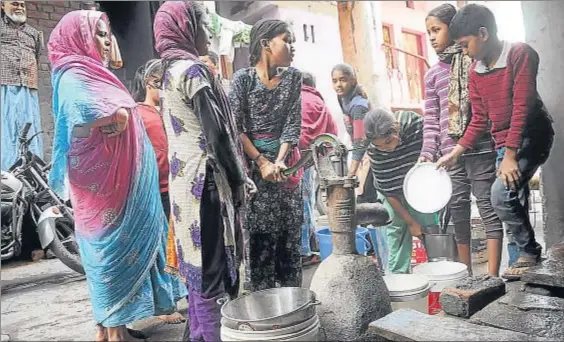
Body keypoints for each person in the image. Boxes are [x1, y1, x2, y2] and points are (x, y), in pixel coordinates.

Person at [48, 10, 184, 342]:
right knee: (106, 255)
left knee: (122, 253)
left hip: (124, 183)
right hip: (100, 186)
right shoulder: (72, 75)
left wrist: (117, 120)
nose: (108, 42)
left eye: (108, 34)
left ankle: (116, 324)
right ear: (78, 37)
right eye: (99, 34)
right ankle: (110, 331)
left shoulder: (98, 74)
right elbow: (74, 125)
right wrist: (111, 120)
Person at [153, 2, 252, 341]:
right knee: (211, 275)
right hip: (204, 184)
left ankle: (196, 335)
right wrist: (239, 179)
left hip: (184, 187)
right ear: (184, 27)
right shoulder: (192, 72)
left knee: (196, 271)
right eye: (202, 23)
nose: (209, 32)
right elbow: (218, 135)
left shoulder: (168, 73)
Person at [437, 4, 554, 280]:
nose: (464, 52)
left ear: (483, 33)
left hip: (531, 136)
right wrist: (457, 151)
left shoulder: (519, 54)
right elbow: (479, 119)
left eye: (465, 45)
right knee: (515, 202)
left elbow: (522, 106)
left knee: (500, 196)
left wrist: (510, 155)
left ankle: (530, 250)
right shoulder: (476, 72)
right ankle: (521, 273)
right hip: (506, 143)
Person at [421, 3, 503, 276]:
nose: (431, 37)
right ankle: (465, 274)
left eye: (436, 30)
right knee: (458, 212)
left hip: (480, 149)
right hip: (448, 154)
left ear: (453, 28)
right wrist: (426, 152)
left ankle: (492, 277)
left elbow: (487, 109)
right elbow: (431, 119)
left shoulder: (475, 61)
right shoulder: (432, 74)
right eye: (428, 32)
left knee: (487, 206)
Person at [228, 18, 304, 292]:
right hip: (254, 174)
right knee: (260, 246)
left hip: (286, 171)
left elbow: (292, 124)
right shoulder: (242, 80)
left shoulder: (294, 78)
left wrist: (281, 161)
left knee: (290, 245)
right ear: (265, 44)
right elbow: (235, 127)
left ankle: (294, 309)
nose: (292, 46)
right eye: (287, 39)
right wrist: (261, 162)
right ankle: (265, 314)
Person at [130, 59, 187, 325]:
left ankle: (175, 296)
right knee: (161, 250)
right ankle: (165, 305)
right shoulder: (139, 113)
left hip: (170, 187)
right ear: (151, 83)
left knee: (173, 246)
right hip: (153, 191)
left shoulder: (161, 111)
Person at [364, 108, 439, 274]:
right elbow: (388, 191)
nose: (386, 149)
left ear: (396, 127)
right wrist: (410, 223)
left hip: (419, 185)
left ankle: (437, 267)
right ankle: (399, 276)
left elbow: (434, 141)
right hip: (392, 192)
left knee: (428, 224)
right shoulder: (374, 151)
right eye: (380, 146)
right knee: (397, 227)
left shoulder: (416, 125)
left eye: (389, 141)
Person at [299, 71, 338, 266]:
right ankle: (306, 249)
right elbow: (333, 132)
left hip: (292, 158)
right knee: (307, 202)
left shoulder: (294, 99)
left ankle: (305, 248)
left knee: (302, 202)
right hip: (312, 158)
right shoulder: (318, 102)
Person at [1, 1, 43, 171]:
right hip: (4, 86)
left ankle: (33, 175)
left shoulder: (34, 34)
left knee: (30, 129)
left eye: (22, 5)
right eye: (15, 4)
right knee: (6, 131)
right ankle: (6, 175)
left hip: (28, 88)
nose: (19, 8)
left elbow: (37, 57)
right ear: (2, 6)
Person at [331, 64, 377, 204]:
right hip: (362, 154)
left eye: (343, 80)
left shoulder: (358, 106)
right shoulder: (342, 98)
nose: (338, 85)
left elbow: (360, 141)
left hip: (373, 153)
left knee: (366, 198)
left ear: (353, 80)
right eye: (335, 81)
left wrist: (351, 172)